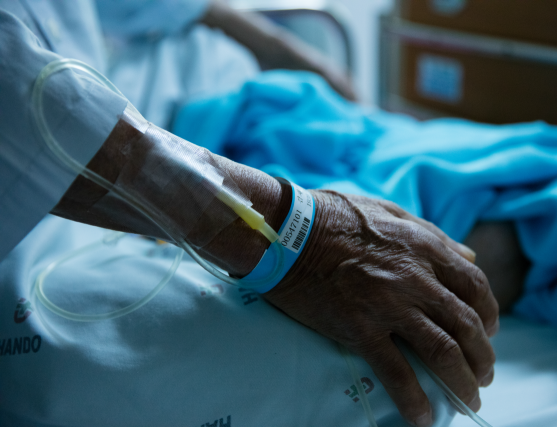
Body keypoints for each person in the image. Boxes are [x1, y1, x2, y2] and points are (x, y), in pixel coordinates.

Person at [0, 2, 499, 427]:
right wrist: (301, 235)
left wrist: (275, 46)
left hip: (139, 101)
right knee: (399, 361)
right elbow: (27, 114)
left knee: (460, 172)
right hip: (29, 215)